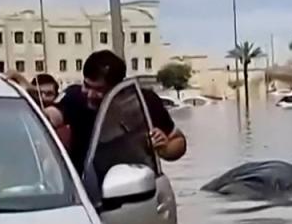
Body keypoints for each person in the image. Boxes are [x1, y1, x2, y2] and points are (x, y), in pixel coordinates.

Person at [45, 50, 186, 172]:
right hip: (86, 189)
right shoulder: (75, 97)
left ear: (117, 88)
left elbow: (178, 140)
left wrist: (165, 148)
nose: (90, 94)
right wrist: (42, 115)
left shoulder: (143, 101)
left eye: (99, 90)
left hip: (135, 188)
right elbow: (53, 115)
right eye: (87, 86)